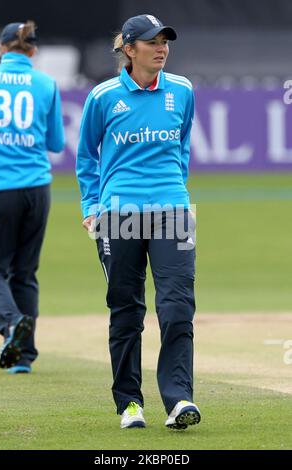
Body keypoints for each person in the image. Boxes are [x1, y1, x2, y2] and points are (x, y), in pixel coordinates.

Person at [76, 14, 201, 430]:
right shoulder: (104, 96)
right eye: (152, 42)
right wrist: (92, 207)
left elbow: (182, 148)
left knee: (178, 307)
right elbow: (86, 157)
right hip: (119, 215)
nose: (161, 48)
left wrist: (175, 195)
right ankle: (130, 403)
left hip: (172, 212)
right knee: (127, 311)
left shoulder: (182, 91)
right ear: (129, 49)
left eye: (165, 40)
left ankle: (179, 399)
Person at [0, 21, 65, 374]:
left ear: (1, 49)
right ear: (33, 52)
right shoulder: (46, 83)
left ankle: (9, 325)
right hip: (37, 188)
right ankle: (22, 357)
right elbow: (55, 144)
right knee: (25, 273)